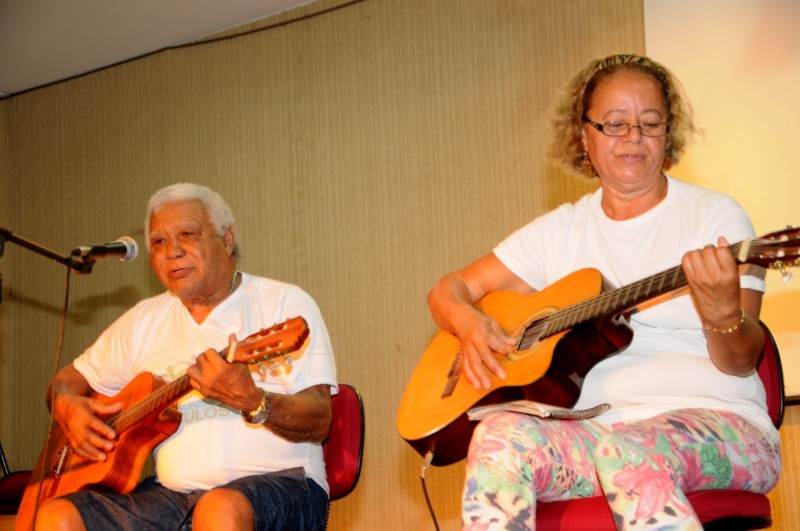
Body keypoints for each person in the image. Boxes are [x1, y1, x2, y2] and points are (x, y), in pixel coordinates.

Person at [427, 54, 782, 530]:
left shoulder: (715, 219)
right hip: (595, 432)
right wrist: (469, 323)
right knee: (498, 435)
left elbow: (741, 361)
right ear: (583, 135)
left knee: (629, 450)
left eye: (650, 123)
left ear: (668, 132)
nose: (633, 136)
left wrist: (720, 312)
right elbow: (448, 291)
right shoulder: (558, 232)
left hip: (725, 427)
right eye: (614, 123)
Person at [33, 183, 336, 530]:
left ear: (227, 239)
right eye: (158, 242)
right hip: (172, 496)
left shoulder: (283, 303)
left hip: (283, 484)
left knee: (218, 508)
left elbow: (320, 419)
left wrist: (255, 400)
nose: (172, 251)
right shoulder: (144, 319)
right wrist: (67, 406)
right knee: (58, 517)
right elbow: (67, 382)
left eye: (187, 234)